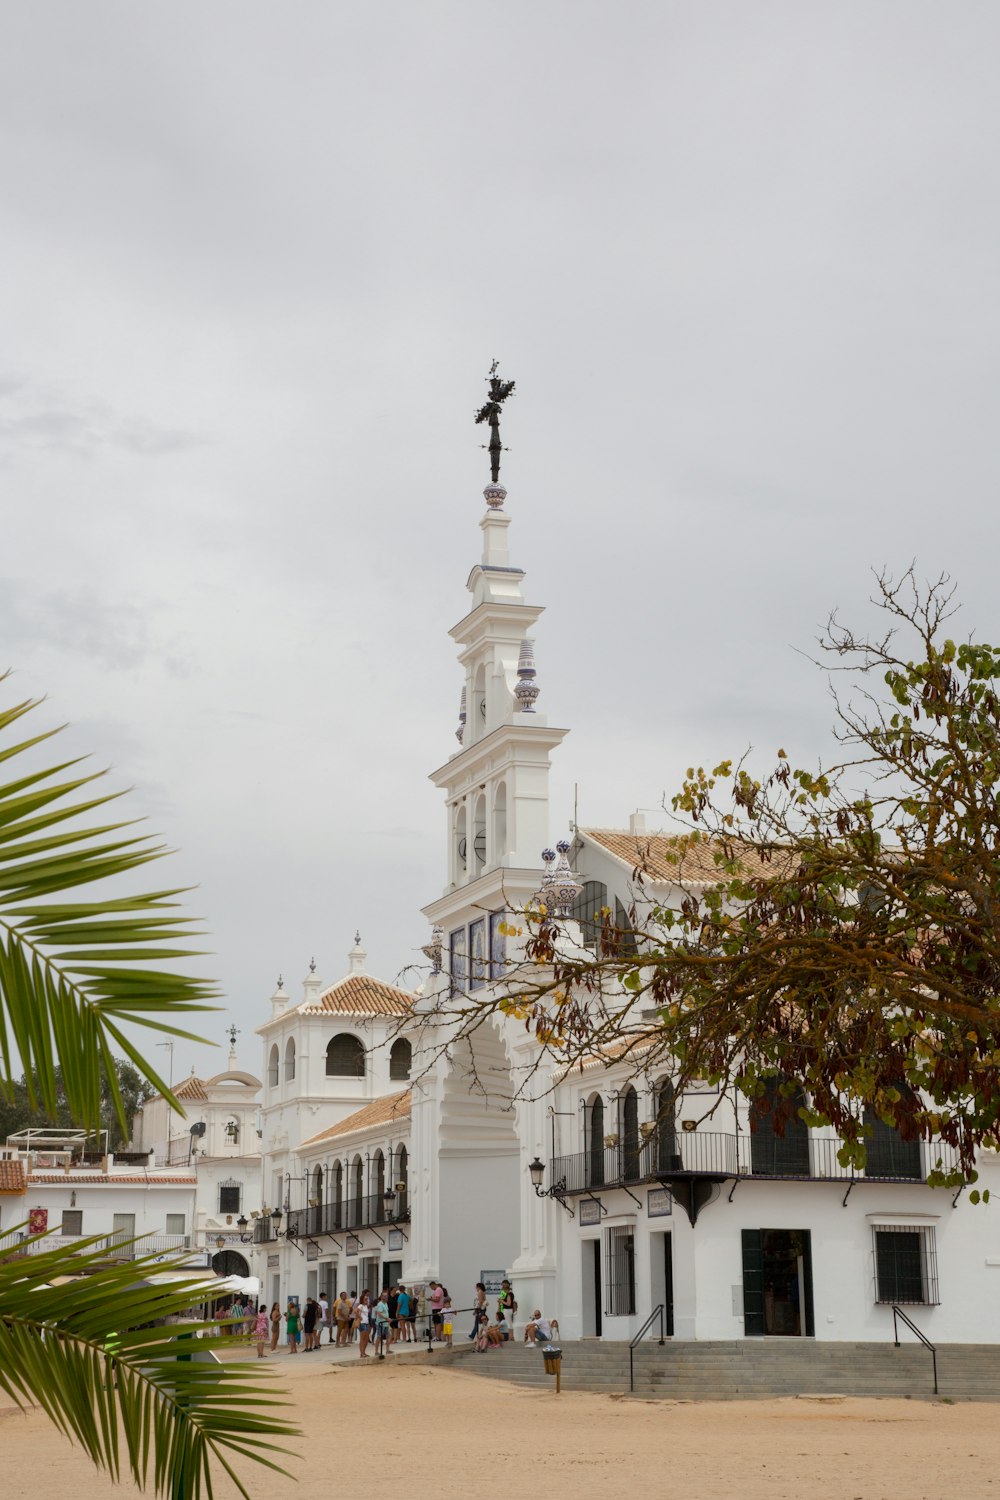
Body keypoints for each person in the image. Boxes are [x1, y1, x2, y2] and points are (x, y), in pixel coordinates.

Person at [354, 1291, 371, 1358]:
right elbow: (355, 1311)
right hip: (362, 1323)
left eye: (367, 1299)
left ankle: (364, 1352)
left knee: (366, 1338)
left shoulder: (366, 1306)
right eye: (365, 1299)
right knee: (363, 1338)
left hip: (366, 1323)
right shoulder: (360, 1305)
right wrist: (359, 1317)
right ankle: (362, 1353)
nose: (367, 1300)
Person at [373, 1291, 391, 1356]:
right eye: (384, 1296)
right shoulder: (380, 1304)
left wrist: (388, 1319)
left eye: (386, 1296)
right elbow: (379, 1313)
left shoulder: (385, 1303)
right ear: (381, 1297)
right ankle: (376, 1351)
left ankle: (387, 1350)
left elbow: (385, 1312)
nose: (386, 1297)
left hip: (385, 1323)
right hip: (381, 1323)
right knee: (379, 1337)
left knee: (388, 1336)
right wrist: (386, 1318)